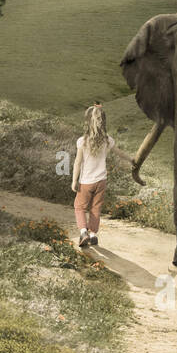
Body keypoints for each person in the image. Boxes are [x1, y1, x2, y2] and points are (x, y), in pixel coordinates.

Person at [72, 103, 116, 248]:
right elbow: (119, 152)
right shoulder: (107, 140)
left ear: (87, 122)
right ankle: (93, 234)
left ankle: (84, 232)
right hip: (101, 181)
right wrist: (132, 160)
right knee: (95, 208)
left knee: (79, 207)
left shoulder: (82, 141)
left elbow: (77, 163)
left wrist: (74, 181)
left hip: (86, 182)